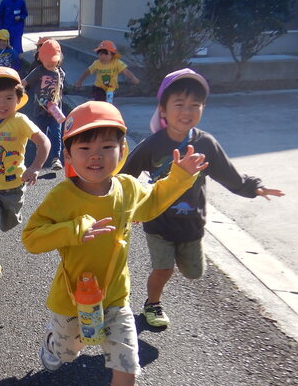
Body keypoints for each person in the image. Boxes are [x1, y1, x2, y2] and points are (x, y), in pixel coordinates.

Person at [22, 101, 208, 386]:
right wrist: (76, 230)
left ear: (122, 152)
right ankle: (53, 345)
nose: (97, 156)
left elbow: (151, 203)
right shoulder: (63, 196)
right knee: (67, 353)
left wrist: (179, 177)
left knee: (127, 363)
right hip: (71, 300)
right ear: (70, 154)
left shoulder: (125, 188)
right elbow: (31, 239)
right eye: (85, 147)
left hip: (115, 298)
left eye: (107, 147)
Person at [120, 68, 284, 329]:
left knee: (195, 273)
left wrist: (253, 188)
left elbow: (227, 174)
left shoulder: (206, 143)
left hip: (192, 223)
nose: (187, 111)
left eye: (195, 105)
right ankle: (152, 304)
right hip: (158, 221)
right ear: (163, 109)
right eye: (179, 104)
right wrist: (127, 209)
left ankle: (177, 263)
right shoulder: (153, 144)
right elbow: (124, 177)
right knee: (163, 269)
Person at [0, 66, 51, 287]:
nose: (2, 103)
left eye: (9, 97)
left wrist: (35, 167)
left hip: (14, 185)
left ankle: (3, 222)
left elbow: (44, 142)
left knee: (8, 222)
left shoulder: (20, 121)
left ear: (18, 99)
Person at [22, 38, 67, 173]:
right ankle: (40, 156)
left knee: (56, 134)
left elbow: (60, 91)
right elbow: (25, 82)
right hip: (40, 111)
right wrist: (16, 90)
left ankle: (56, 158)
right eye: (47, 61)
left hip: (55, 111)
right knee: (40, 135)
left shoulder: (60, 73)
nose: (49, 63)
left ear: (59, 60)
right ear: (40, 58)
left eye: (53, 61)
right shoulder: (38, 71)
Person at [73, 40, 139, 102]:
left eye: (105, 54)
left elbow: (125, 71)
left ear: (112, 54)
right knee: (99, 101)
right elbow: (87, 71)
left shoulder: (117, 62)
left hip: (111, 87)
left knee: (109, 102)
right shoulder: (97, 63)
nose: (102, 57)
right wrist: (80, 81)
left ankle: (107, 111)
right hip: (99, 87)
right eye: (100, 54)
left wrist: (133, 78)